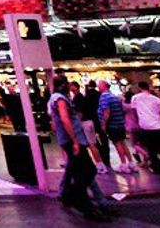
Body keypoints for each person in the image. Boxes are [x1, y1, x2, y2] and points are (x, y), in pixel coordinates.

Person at [48, 74, 103, 221]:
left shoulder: (59, 98)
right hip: (73, 141)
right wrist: (75, 141)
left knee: (78, 171)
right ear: (63, 85)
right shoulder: (59, 98)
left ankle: (74, 197)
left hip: (73, 140)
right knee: (87, 170)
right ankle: (79, 200)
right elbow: (65, 119)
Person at [97, 80, 136, 173]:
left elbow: (106, 111)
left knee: (117, 143)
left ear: (104, 86)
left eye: (99, 85)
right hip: (119, 123)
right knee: (123, 143)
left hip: (112, 124)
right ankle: (131, 163)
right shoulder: (114, 96)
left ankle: (123, 164)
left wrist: (103, 124)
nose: (98, 87)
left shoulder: (104, 97)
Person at [130, 81, 160, 173]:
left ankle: (156, 167)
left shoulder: (135, 98)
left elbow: (134, 110)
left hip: (145, 125)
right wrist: (157, 118)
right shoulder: (156, 99)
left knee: (151, 148)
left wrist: (139, 119)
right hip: (158, 125)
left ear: (139, 88)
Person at [71, 81, 107, 174]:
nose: (70, 87)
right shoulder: (81, 97)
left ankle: (100, 165)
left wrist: (76, 123)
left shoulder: (78, 98)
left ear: (75, 87)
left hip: (85, 123)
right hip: (89, 122)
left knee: (91, 144)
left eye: (71, 86)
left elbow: (80, 113)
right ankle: (99, 164)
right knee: (91, 144)